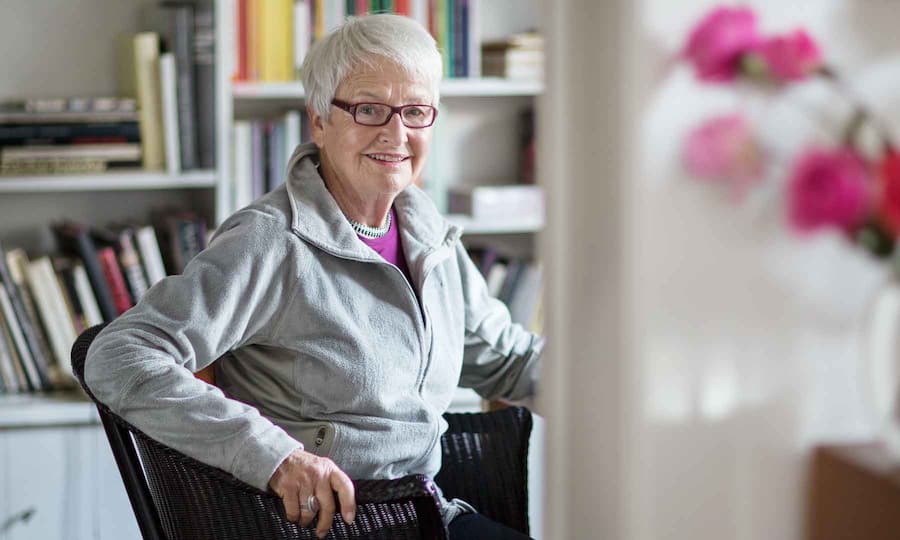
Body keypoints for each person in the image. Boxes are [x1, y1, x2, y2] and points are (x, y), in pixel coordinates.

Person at [85, 13, 542, 540]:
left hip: (424, 514)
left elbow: (508, 360)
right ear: (320, 121)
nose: (397, 134)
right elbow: (119, 356)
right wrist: (275, 457)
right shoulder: (271, 242)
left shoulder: (428, 234)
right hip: (322, 526)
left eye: (416, 112)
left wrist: (614, 384)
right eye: (369, 109)